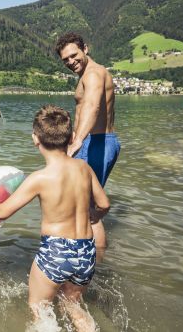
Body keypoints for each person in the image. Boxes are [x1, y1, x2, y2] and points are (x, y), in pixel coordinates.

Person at [0, 105, 110, 331]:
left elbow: (3, 212)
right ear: (72, 138)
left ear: (35, 139)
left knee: (39, 309)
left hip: (56, 251)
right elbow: (104, 203)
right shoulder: (84, 168)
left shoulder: (40, 178)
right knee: (73, 306)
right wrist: (93, 217)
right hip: (86, 251)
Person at [55, 32, 120, 252]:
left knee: (88, 209)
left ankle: (96, 263)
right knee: (84, 205)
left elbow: (93, 107)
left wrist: (77, 142)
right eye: (66, 60)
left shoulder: (93, 74)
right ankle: (87, 255)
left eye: (74, 55)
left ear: (86, 48)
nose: (71, 62)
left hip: (96, 143)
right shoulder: (90, 73)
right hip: (96, 141)